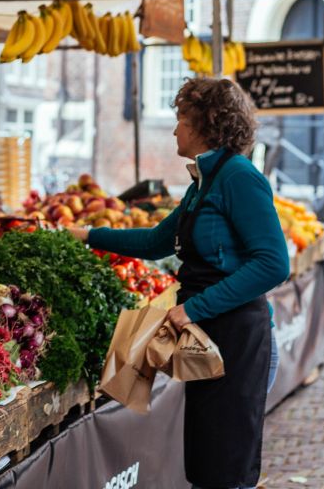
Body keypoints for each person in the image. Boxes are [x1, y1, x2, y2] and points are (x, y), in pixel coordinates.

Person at [71, 78, 288, 489]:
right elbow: (155, 240)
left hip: (239, 340)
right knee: (207, 467)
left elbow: (274, 264)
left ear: (206, 123)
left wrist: (193, 308)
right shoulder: (202, 183)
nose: (175, 129)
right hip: (209, 342)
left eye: (181, 119)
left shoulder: (239, 178)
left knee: (227, 472)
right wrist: (86, 236)